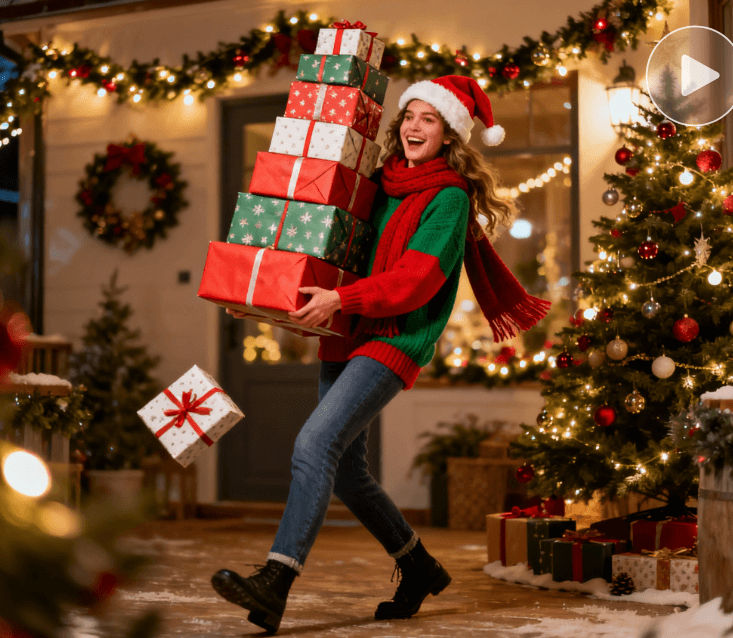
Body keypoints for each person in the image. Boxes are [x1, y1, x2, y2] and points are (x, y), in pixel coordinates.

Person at [211, 75, 550, 634]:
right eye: (410, 116)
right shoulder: (375, 183)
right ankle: (417, 565)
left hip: (394, 338)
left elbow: (415, 282)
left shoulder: (449, 199)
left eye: (429, 120)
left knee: (314, 442)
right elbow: (325, 245)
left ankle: (276, 581)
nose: (415, 127)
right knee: (345, 471)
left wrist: (342, 297)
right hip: (347, 333)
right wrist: (260, 296)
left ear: (450, 136)